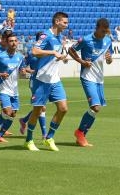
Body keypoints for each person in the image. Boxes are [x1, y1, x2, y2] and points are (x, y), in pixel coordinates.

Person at [23, 12, 70, 152]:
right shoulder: (45, 35)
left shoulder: (60, 38)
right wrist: (52, 53)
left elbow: (54, 56)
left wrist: (62, 57)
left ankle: (49, 138)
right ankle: (29, 140)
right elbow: (34, 51)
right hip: (41, 79)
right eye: (65, 22)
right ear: (57, 21)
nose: (67, 25)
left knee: (63, 108)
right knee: (37, 111)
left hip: (54, 79)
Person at [68, 18, 113, 147]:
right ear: (97, 28)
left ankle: (81, 135)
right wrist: (82, 62)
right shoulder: (86, 39)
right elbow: (71, 50)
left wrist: (109, 59)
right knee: (95, 107)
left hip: (99, 79)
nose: (104, 33)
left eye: (106, 31)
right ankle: (80, 133)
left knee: (96, 109)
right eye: (102, 31)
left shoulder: (108, 40)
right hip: (87, 77)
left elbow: (109, 59)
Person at [0, 33, 26, 142]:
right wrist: (0, 74)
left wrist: (23, 72)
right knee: (7, 112)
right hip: (3, 88)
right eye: (11, 41)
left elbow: (22, 70)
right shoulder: (0, 56)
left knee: (13, 114)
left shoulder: (20, 57)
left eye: (15, 41)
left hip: (14, 90)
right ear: (7, 43)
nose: (13, 43)